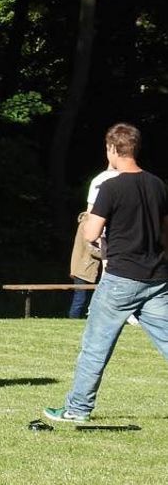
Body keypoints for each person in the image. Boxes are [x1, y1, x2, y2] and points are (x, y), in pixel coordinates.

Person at [46, 123, 168, 424]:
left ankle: (77, 409)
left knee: (95, 347)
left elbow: (91, 232)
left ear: (113, 149)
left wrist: (91, 218)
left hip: (120, 279)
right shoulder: (158, 185)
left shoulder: (109, 187)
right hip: (157, 278)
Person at [68, 164, 117, 318]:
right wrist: (105, 252)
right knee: (79, 299)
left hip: (86, 268)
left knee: (84, 298)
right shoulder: (86, 224)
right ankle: (72, 320)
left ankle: (81, 317)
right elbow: (89, 246)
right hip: (82, 268)